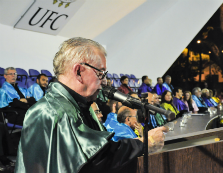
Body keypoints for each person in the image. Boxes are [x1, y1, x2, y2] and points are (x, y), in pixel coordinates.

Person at [15, 38, 167, 173]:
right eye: (100, 73)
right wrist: (143, 143)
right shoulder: (53, 110)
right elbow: (93, 161)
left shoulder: (77, 105)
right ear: (79, 71)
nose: (104, 80)